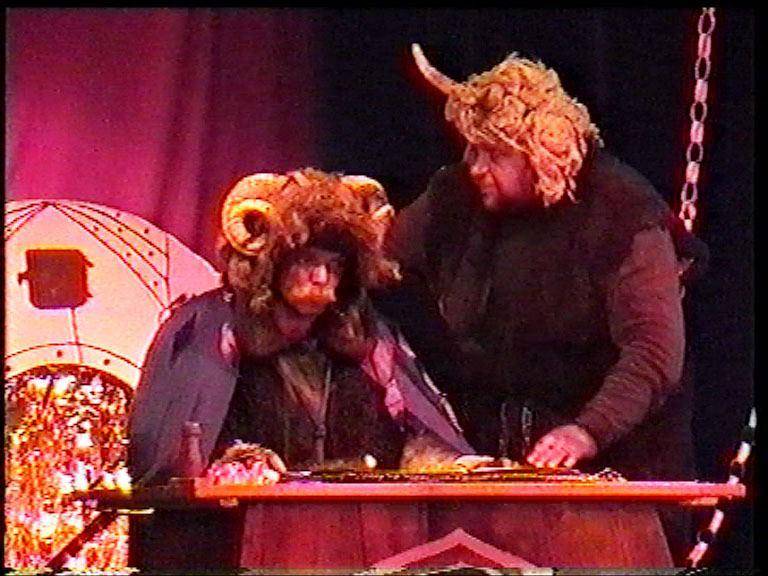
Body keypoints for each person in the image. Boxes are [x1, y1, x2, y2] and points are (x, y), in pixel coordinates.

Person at [385, 44, 708, 563]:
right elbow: (379, 259)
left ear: (538, 151)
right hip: (501, 470)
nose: (475, 167)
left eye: (493, 154)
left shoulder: (622, 212)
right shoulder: (456, 197)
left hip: (619, 477)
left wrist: (587, 431)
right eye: (471, 150)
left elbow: (653, 353)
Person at [125, 168, 483, 569]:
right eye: (307, 261)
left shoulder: (362, 338)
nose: (322, 277)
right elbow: (175, 457)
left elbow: (413, 429)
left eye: (335, 265)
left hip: (356, 547)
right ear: (272, 262)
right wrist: (238, 461)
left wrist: (445, 462)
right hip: (240, 551)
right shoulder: (209, 328)